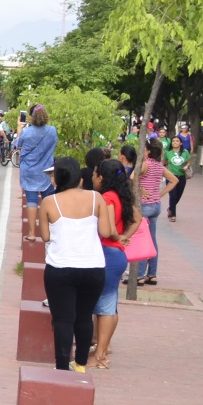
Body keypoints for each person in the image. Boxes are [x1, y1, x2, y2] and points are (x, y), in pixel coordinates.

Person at [38, 158, 114, 372]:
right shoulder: (95, 198)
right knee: (84, 316)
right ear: (80, 177)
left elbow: (44, 236)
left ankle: (62, 367)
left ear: (58, 177)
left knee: (63, 319)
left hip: (60, 266)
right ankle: (80, 363)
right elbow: (106, 232)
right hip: (93, 267)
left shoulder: (49, 202)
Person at [91, 159, 137, 369]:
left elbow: (106, 230)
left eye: (95, 174)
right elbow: (137, 219)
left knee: (105, 307)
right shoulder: (122, 196)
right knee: (110, 306)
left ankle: (100, 356)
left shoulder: (107, 198)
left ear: (102, 177)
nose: (93, 178)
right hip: (116, 254)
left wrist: (117, 236)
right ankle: (103, 349)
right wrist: (124, 236)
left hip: (107, 254)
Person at [130, 138, 178, 286]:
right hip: (156, 205)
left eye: (144, 149)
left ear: (149, 151)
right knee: (152, 240)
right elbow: (174, 180)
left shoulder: (146, 164)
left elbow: (132, 177)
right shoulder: (159, 166)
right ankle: (152, 274)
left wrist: (141, 189)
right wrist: (160, 194)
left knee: (142, 240)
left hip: (144, 206)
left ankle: (139, 275)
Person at [17, 104, 58, 241]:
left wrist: (19, 127)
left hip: (29, 170)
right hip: (46, 170)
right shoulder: (52, 130)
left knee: (32, 201)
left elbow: (17, 145)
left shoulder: (26, 132)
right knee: (49, 200)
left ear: (31, 117)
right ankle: (50, 232)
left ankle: (32, 233)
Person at [164, 135, 192, 222]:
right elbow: (163, 163)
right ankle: (173, 215)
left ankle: (170, 208)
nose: (175, 142)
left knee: (178, 195)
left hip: (182, 176)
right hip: (171, 177)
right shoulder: (168, 153)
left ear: (180, 143)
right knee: (172, 195)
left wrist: (186, 166)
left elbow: (189, 161)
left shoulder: (185, 152)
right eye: (173, 141)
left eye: (177, 141)